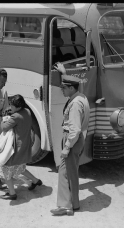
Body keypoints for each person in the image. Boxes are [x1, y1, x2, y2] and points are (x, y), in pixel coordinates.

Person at [50, 62, 90, 216]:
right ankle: (74, 203)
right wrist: (64, 73)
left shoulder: (75, 104)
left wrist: (66, 148)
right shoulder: (81, 96)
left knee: (64, 172)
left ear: (72, 88)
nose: (62, 90)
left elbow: (74, 130)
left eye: (64, 88)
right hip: (77, 140)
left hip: (72, 139)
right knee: (71, 172)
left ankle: (65, 206)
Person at [0, 94, 42, 200]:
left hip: (16, 147)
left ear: (18, 107)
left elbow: (4, 127)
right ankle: (35, 181)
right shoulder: (27, 111)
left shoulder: (15, 117)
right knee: (20, 167)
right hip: (25, 144)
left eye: (12, 106)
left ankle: (12, 193)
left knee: (5, 169)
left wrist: (3, 118)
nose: (10, 107)